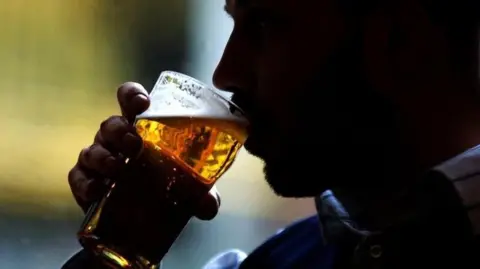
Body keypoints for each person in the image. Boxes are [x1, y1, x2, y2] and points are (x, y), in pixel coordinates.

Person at [62, 0, 480, 268]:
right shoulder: (276, 262)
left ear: (399, 40)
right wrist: (115, 247)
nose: (225, 74)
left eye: (263, 25)